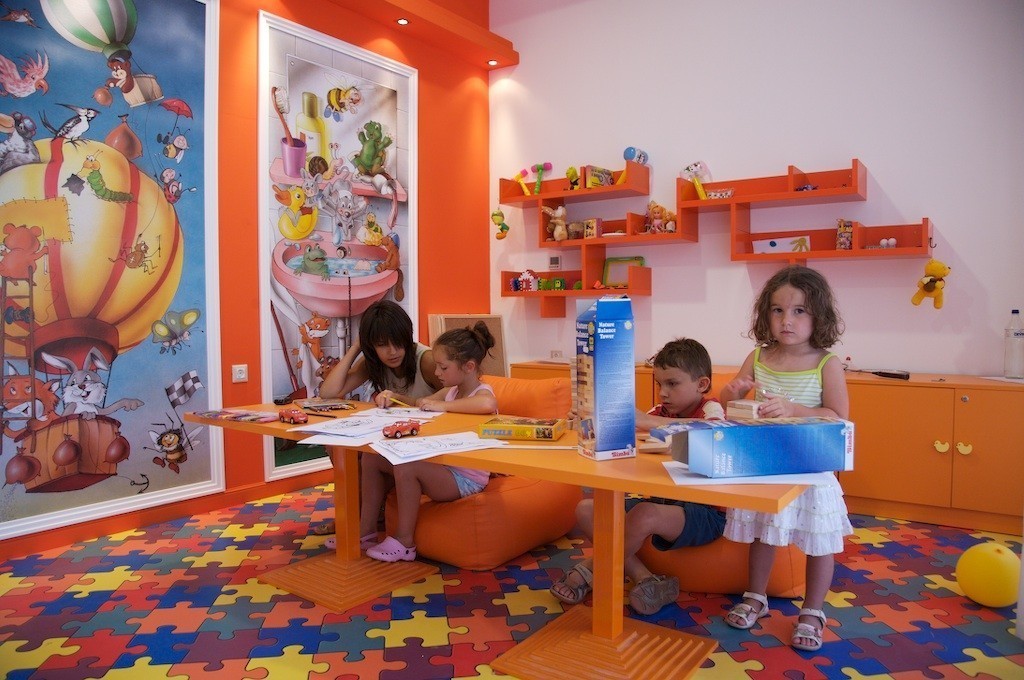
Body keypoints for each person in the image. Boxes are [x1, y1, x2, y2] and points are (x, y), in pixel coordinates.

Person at [718, 264, 851, 652]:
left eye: (799, 311)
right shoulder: (759, 357)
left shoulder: (826, 363)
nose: (786, 320)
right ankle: (755, 596)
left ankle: (812, 611)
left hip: (811, 467)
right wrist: (732, 391)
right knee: (763, 531)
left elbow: (838, 416)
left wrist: (794, 409)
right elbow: (727, 404)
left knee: (818, 540)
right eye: (777, 310)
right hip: (766, 463)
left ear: (818, 315)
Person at [549, 338, 726, 616]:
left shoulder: (711, 410)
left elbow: (713, 432)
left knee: (644, 514)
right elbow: (616, 434)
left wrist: (646, 421)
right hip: (662, 502)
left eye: (672, 383)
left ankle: (590, 569)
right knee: (586, 508)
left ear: (702, 385)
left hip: (704, 512)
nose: (663, 393)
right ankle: (645, 578)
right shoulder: (659, 412)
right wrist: (583, 420)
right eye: (659, 384)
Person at [361, 321, 499, 562]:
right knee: (372, 458)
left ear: (468, 367)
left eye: (443, 367)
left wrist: (442, 406)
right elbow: (420, 403)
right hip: (443, 467)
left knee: (407, 465)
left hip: (466, 479)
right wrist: (394, 397)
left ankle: (404, 542)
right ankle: (365, 532)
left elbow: (488, 404)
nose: (436, 373)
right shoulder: (451, 391)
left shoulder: (481, 392)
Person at [313, 300, 442, 544]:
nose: (392, 352)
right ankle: (357, 515)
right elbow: (328, 393)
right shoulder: (374, 363)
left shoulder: (425, 360)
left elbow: (454, 395)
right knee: (337, 446)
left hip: (427, 444)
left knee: (365, 456)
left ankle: (359, 516)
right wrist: (356, 347)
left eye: (398, 342)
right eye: (382, 345)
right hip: (397, 440)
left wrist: (405, 401)